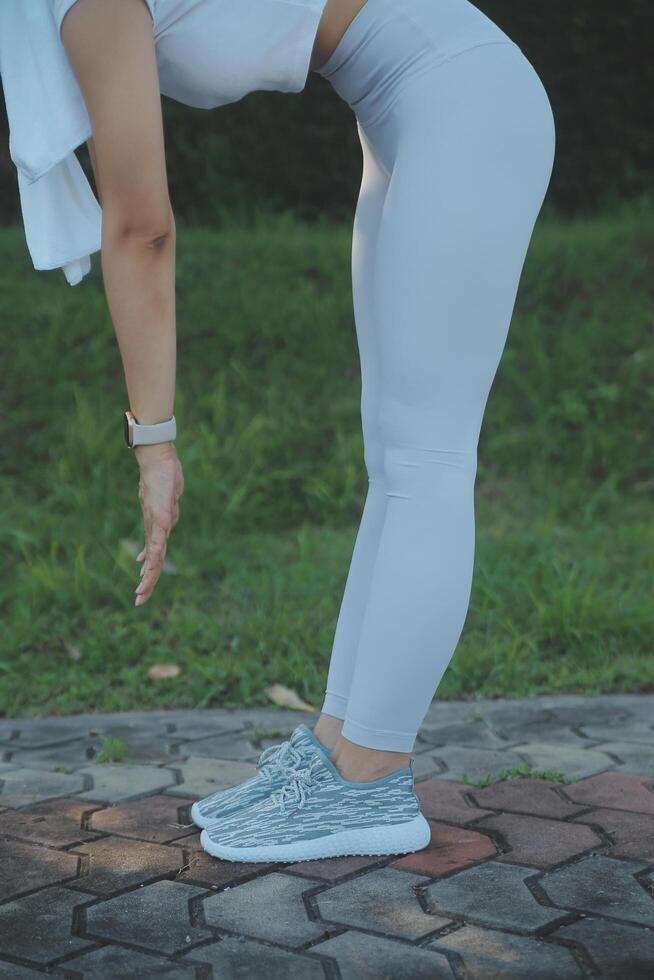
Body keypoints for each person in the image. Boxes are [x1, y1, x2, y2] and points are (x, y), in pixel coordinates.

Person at [7, 0, 556, 863]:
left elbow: (142, 229)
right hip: (406, 111)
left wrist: (156, 443)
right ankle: (341, 751)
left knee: (427, 459)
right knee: (399, 461)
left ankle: (371, 782)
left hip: (465, 99)